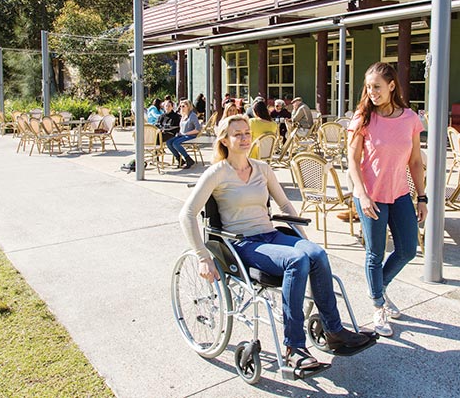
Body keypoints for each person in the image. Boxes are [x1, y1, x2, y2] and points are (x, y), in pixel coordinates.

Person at [179, 114, 369, 369]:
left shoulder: (262, 168)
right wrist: (203, 257)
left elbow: (285, 204)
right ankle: (294, 347)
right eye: (238, 134)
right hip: (242, 243)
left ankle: (333, 331)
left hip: (270, 234)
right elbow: (187, 214)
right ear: (224, 140)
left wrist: (304, 239)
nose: (245, 138)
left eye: (247, 132)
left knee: (316, 253)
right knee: (297, 260)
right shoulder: (217, 173)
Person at [347, 62, 427, 338]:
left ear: (392, 86)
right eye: (368, 87)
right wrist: (361, 193)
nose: (371, 92)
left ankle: (379, 287)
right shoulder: (363, 118)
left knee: (408, 249)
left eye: (377, 87)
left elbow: (415, 161)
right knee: (374, 253)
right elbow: (352, 161)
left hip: (400, 194)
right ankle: (378, 304)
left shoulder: (410, 119)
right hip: (371, 197)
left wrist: (422, 197)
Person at [166, 99, 201, 169]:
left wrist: (187, 133)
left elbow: (198, 129)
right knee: (169, 142)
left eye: (183, 106)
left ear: (188, 106)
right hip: (182, 135)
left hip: (191, 136)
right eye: (180, 106)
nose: (181, 108)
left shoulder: (192, 115)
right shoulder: (183, 115)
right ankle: (179, 159)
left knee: (175, 143)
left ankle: (188, 159)